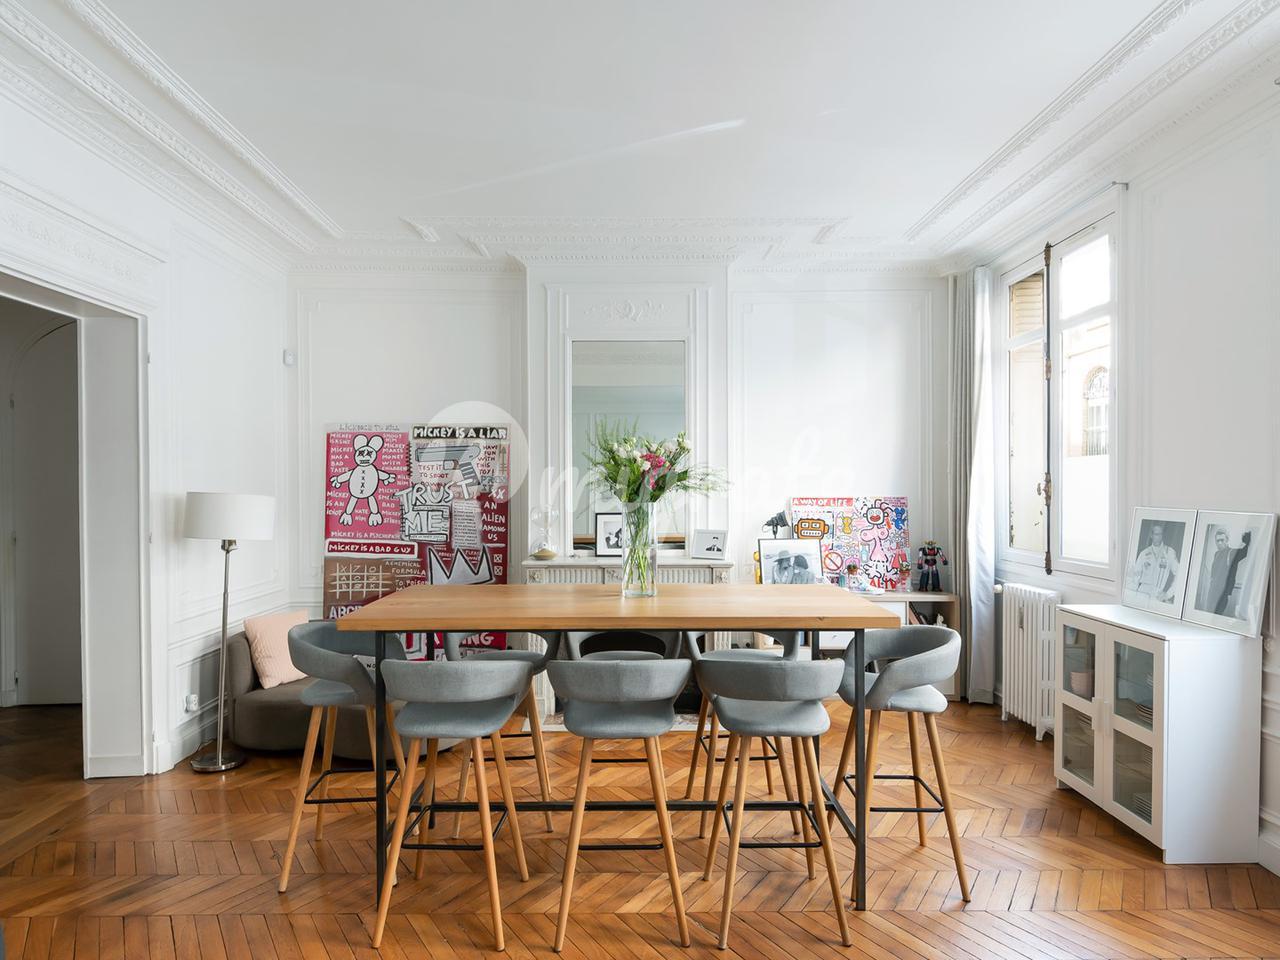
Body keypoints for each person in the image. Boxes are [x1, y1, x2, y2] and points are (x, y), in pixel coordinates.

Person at [1197, 527, 1252, 617]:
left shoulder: (1231, 552)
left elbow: (1244, 552)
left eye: (1222, 540)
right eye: (1217, 541)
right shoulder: (1216, 554)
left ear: (1227, 540)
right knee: (1208, 613)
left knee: (1217, 615)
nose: (1219, 543)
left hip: (1222, 592)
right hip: (1212, 590)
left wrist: (1247, 541)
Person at [1127, 523, 1179, 603]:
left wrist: (1168, 594)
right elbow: (1135, 576)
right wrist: (1131, 595)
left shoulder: (1169, 552)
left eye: (1161, 534)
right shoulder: (1144, 553)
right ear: (1151, 535)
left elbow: (1180, 574)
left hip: (1158, 595)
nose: (1159, 537)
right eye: (1156, 534)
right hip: (1142, 592)